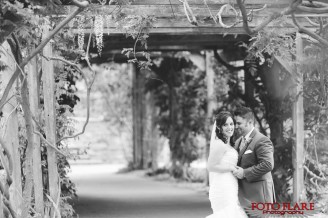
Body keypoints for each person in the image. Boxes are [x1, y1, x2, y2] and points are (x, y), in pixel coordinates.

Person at [233, 106, 275, 212]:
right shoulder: (238, 141)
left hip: (259, 196)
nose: (235, 126)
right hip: (243, 197)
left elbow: (267, 164)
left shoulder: (262, 140)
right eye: (235, 123)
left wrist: (244, 173)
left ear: (250, 122)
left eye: (239, 123)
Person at [206, 111, 247, 218]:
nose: (229, 127)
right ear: (219, 127)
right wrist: (230, 168)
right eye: (225, 125)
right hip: (223, 187)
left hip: (231, 186)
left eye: (231, 124)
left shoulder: (229, 145)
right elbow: (210, 166)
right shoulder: (220, 145)